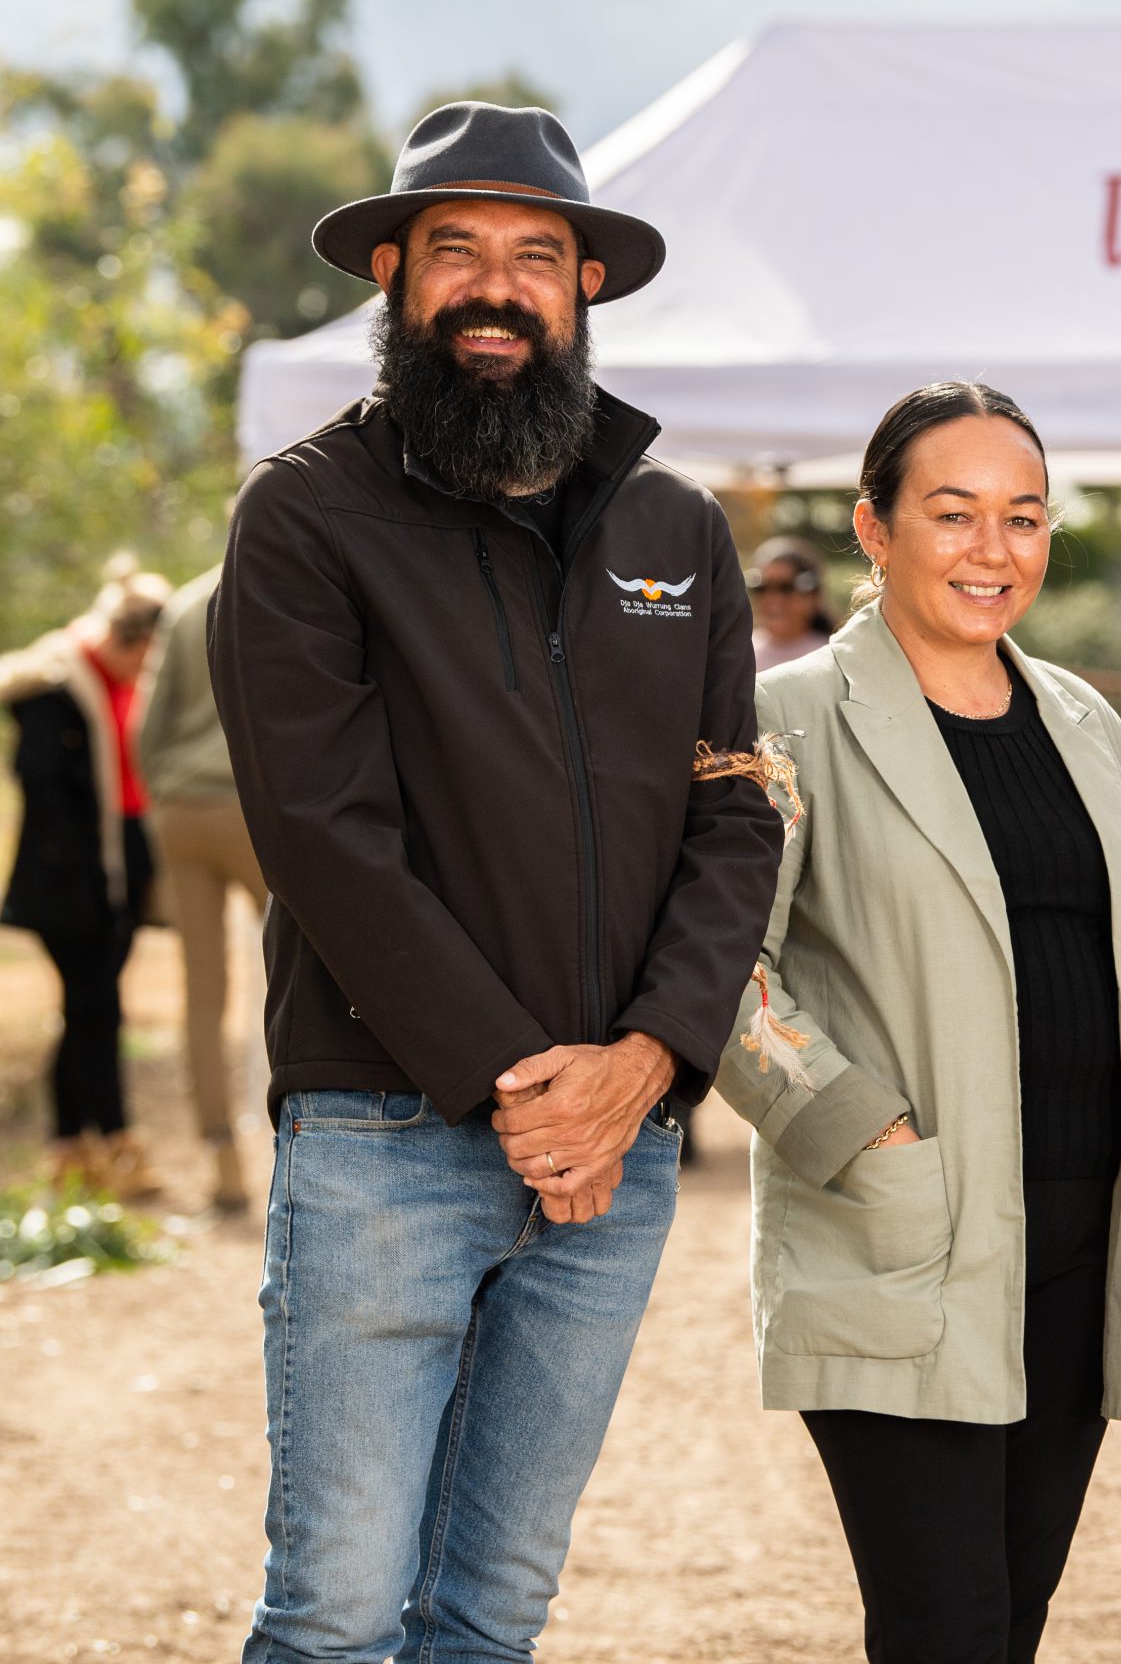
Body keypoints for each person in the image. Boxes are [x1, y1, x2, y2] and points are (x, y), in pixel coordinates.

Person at [209, 102, 781, 1663]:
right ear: (391, 274)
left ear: (585, 287)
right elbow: (329, 835)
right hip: (387, 1124)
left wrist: (648, 1063)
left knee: (494, 1609)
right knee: (333, 1611)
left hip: (623, 1141)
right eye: (454, 249)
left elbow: (740, 816)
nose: (496, 286)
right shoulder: (303, 517)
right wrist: (533, 1090)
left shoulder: (675, 527)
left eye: (537, 256)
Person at [717, 381, 1121, 1663]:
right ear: (872, 529)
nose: (994, 551)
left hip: (1090, 1226)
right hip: (900, 1234)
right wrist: (858, 1128)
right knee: (944, 1627)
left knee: (1013, 1618)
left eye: (1024, 518)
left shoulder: (1084, 720)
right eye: (953, 514)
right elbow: (723, 964)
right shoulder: (785, 721)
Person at [1, 557, 169, 1198]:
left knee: (87, 1011)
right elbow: (43, 787)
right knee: (97, 1009)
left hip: (119, 867)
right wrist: (92, 878)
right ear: (123, 640)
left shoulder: (121, 680)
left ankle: (71, 1146)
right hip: (71, 880)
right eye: (142, 656)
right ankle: (117, 1141)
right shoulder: (55, 684)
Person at [132, 566, 266, 1213]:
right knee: (325, 966)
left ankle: (225, 1163)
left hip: (182, 811)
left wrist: (165, 787)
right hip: (253, 806)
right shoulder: (285, 579)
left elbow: (146, 729)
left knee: (202, 991)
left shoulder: (185, 603)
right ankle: (316, 1140)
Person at [749, 533, 840, 672]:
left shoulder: (835, 659)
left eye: (786, 588)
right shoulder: (739, 653)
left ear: (812, 595)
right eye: (762, 588)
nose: (774, 600)